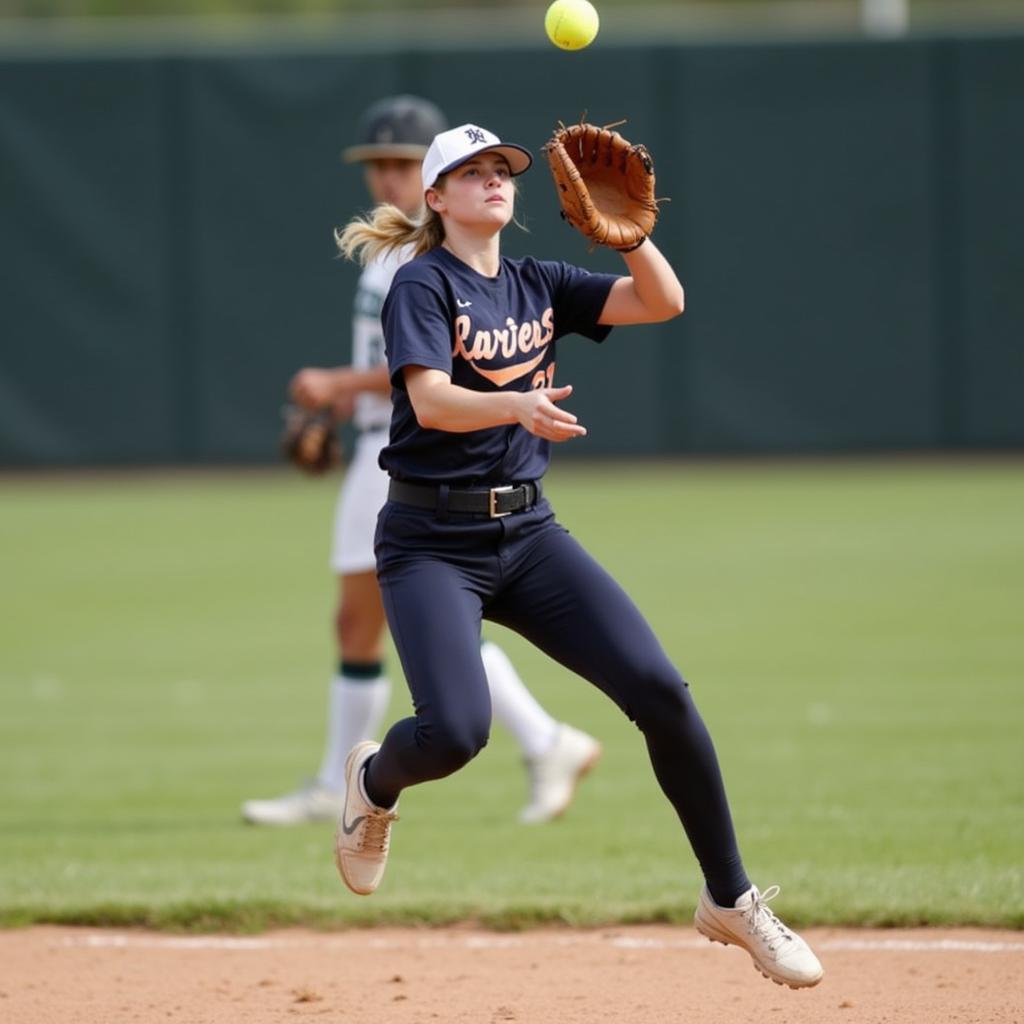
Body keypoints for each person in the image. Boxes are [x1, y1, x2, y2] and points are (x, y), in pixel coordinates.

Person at [331, 119, 824, 990]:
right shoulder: (422, 282)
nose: (494, 180)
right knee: (455, 732)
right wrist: (517, 404)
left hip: (527, 535)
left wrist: (635, 240)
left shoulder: (538, 281)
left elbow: (661, 302)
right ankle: (373, 782)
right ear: (436, 199)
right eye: (471, 172)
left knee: (662, 694)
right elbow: (434, 402)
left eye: (502, 170)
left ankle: (732, 900)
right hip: (431, 541)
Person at [242, 97, 600, 829]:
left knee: (391, 626)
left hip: (405, 462)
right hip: (387, 441)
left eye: (401, 163)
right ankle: (541, 741)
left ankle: (348, 781)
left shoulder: (433, 257)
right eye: (377, 165)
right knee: (372, 626)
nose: (385, 177)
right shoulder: (401, 250)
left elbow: (438, 378)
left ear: (434, 178)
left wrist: (342, 385)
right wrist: (350, 399)